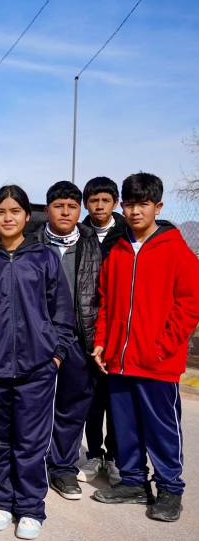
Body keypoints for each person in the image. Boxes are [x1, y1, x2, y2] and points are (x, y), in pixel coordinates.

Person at [91, 172, 199, 522]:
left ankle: (170, 488)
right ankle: (134, 482)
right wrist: (101, 343)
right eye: (130, 204)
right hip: (119, 361)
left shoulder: (177, 250)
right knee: (126, 426)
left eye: (144, 204)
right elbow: (106, 303)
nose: (136, 211)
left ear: (158, 206)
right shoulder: (119, 250)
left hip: (157, 362)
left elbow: (190, 304)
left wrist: (162, 347)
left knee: (161, 427)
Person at [0, 184, 75, 540]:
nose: (7, 218)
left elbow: (62, 310)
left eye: (14, 211)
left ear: (25, 216)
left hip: (37, 367)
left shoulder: (44, 257)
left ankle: (31, 507)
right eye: (1, 212)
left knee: (30, 441)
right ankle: (3, 501)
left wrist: (56, 354)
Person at [37, 181, 102, 501]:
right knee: (32, 407)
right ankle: (32, 464)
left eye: (72, 206)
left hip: (79, 339)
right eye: (59, 205)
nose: (65, 211)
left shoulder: (93, 244)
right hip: (38, 339)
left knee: (71, 407)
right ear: (47, 208)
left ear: (80, 211)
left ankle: (62, 468)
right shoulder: (33, 242)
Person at [78, 175, 126, 484]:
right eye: (93, 200)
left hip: (117, 326)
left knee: (117, 399)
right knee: (92, 399)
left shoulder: (124, 234)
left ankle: (117, 457)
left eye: (105, 200)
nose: (99, 206)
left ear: (115, 202)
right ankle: (95, 454)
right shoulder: (81, 234)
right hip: (87, 327)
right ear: (86, 204)